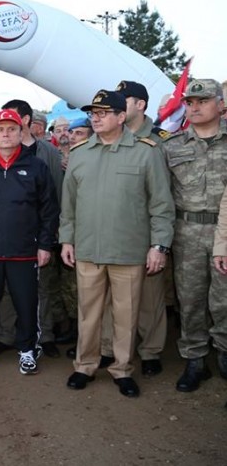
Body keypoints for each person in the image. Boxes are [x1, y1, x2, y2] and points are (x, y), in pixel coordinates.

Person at [61, 90, 174, 398]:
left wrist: (159, 245)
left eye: (103, 112)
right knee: (89, 313)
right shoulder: (80, 153)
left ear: (122, 117)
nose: (95, 117)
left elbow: (161, 205)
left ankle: (122, 369)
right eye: (93, 113)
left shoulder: (146, 151)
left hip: (128, 250)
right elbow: (68, 205)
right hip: (87, 250)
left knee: (126, 315)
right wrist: (66, 240)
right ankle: (84, 365)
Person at [0, 110, 59, 375]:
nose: (6, 134)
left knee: (27, 302)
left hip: (25, 251)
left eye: (11, 129)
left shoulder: (37, 167)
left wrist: (44, 244)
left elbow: (48, 210)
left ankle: (28, 349)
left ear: (22, 133)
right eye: (0, 130)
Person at [96, 81, 172, 376]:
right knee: (108, 297)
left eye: (123, 100)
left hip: (145, 232)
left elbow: (165, 194)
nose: (116, 105)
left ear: (140, 104)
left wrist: (160, 241)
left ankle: (150, 351)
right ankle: (107, 348)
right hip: (113, 231)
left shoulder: (161, 141)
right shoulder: (105, 137)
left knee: (149, 297)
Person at [163, 78, 227, 391]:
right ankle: (195, 360)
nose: (195, 106)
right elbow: (161, 196)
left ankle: (225, 356)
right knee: (189, 300)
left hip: (224, 233)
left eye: (202, 100)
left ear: (221, 104)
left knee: (224, 300)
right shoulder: (172, 145)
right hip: (185, 232)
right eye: (190, 102)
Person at [0, 99, 64, 357]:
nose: (6, 127)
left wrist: (50, 236)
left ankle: (44, 334)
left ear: (24, 121)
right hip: (6, 233)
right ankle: (5, 334)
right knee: (6, 286)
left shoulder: (47, 152)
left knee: (42, 285)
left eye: (11, 119)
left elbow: (56, 195)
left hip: (38, 233)